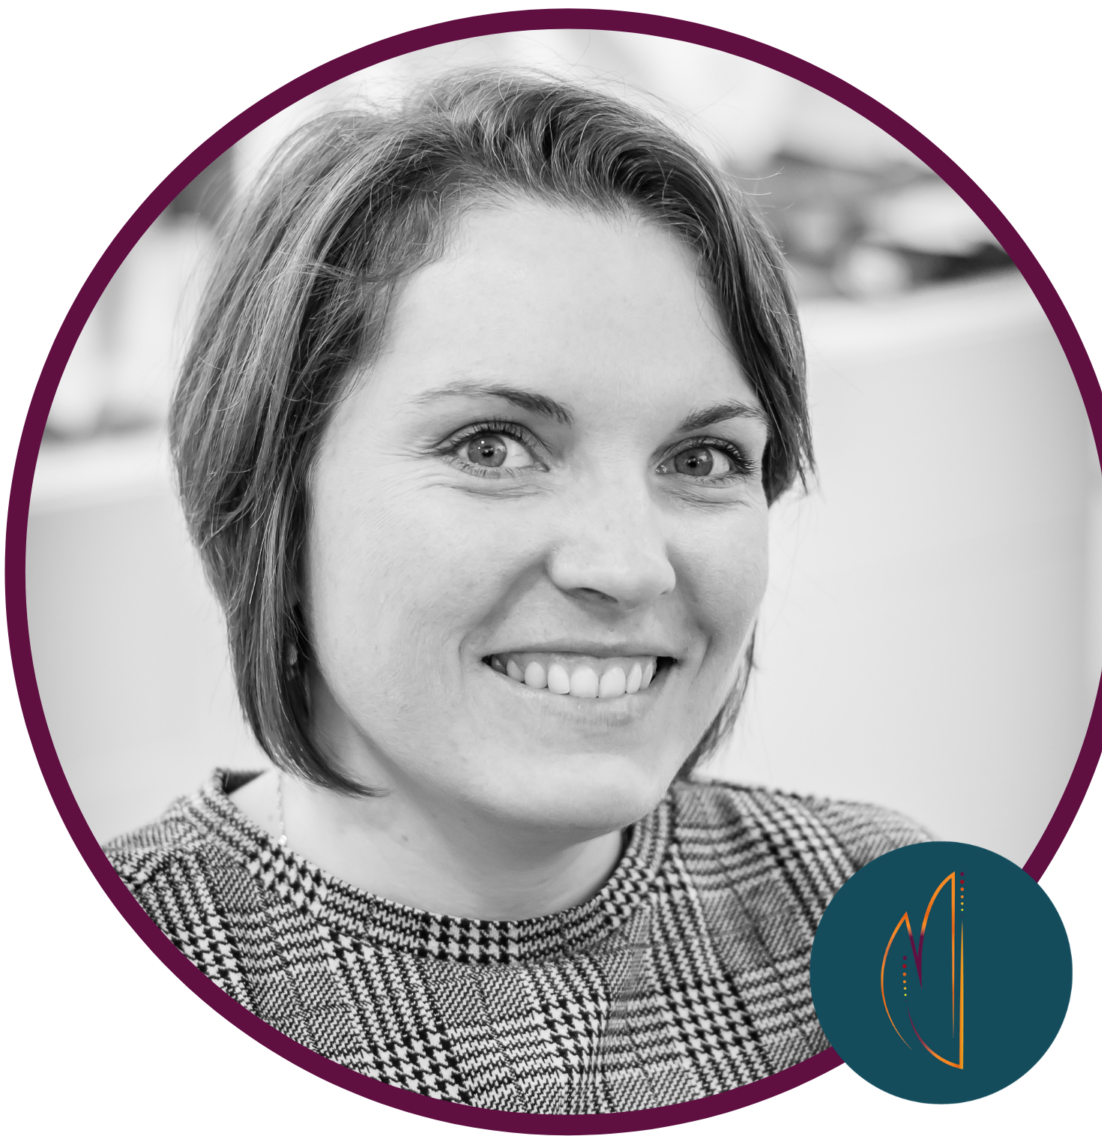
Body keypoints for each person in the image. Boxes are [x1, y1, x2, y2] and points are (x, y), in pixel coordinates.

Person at [105, 68, 928, 1114]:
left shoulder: (896, 918)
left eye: (703, 459)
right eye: (492, 446)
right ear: (270, 491)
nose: (628, 565)